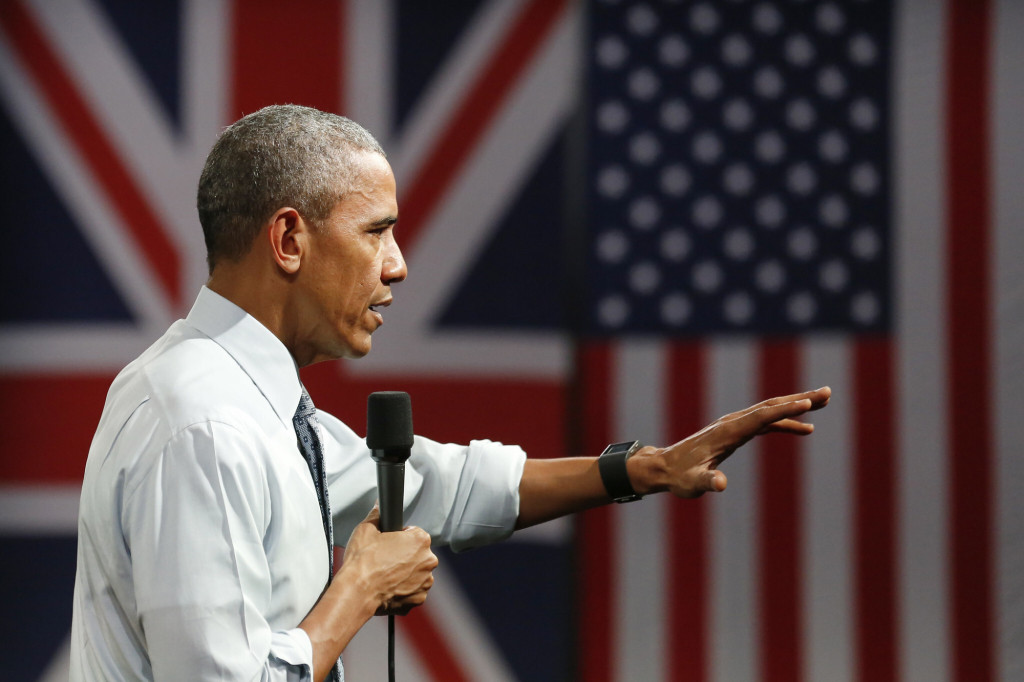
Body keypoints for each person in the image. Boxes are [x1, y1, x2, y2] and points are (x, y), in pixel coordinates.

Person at [69, 104, 830, 681]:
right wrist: (360, 586)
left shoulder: (248, 405)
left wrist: (640, 470)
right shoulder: (203, 425)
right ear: (290, 239)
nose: (397, 266)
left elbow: (442, 486)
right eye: (376, 232)